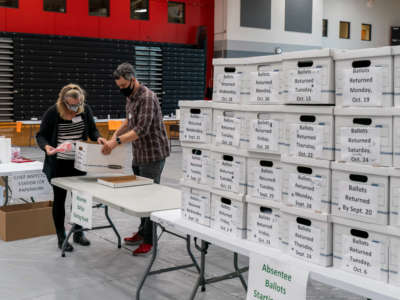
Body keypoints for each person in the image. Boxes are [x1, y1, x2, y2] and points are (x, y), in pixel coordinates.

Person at [102, 62, 170, 256]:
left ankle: (149, 240)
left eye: (124, 86)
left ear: (132, 79)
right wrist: (113, 136)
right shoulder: (131, 97)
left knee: (149, 198)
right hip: (139, 154)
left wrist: (115, 143)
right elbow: (128, 121)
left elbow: (141, 129)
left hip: (153, 155)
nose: (122, 90)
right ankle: (142, 233)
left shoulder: (148, 97)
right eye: (119, 87)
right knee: (140, 197)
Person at [36, 84, 107, 252]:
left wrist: (99, 139)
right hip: (58, 164)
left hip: (79, 163)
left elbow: (92, 131)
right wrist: (47, 147)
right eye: (71, 105)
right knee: (60, 200)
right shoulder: (53, 112)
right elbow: (41, 135)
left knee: (80, 198)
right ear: (63, 101)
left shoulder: (85, 110)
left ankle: (78, 232)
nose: (74, 108)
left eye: (78, 104)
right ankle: (61, 237)